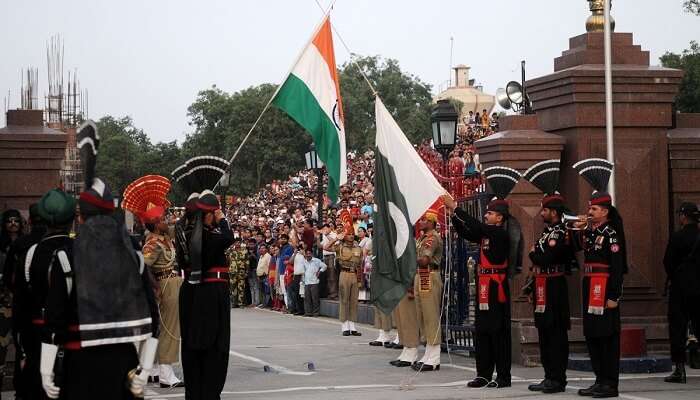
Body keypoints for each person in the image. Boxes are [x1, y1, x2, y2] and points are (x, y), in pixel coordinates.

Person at [42, 120, 159, 400]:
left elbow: (54, 322)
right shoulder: (133, 258)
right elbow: (152, 320)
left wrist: (46, 371)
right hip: (123, 366)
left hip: (79, 366)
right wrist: (143, 370)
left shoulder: (66, 258)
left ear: (80, 218)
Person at [445, 165, 523, 389]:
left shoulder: (500, 234)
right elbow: (468, 232)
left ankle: (503, 376)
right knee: (483, 331)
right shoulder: (487, 234)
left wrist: (457, 208)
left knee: (499, 333)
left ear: (499, 217)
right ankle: (483, 373)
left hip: (496, 288)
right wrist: (453, 217)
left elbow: (478, 226)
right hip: (483, 287)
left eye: (489, 213)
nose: (486, 215)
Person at [572, 158, 627, 399]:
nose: (589, 211)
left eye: (593, 209)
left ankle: (610, 383)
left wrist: (614, 295)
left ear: (604, 211)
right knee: (592, 334)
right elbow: (577, 247)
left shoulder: (611, 234)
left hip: (605, 288)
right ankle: (599, 379)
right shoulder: (592, 231)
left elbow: (616, 267)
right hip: (590, 285)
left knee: (607, 336)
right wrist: (580, 229)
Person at [522, 160, 573, 394]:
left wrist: (536, 254)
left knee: (555, 333)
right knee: (544, 331)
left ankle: (557, 378)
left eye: (545, 209)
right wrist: (536, 255)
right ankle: (548, 375)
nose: (542, 213)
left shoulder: (561, 232)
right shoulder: (548, 232)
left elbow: (544, 258)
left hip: (555, 285)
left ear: (554, 212)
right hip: (543, 284)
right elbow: (537, 256)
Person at [179, 190, 234, 399]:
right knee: (215, 345)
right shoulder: (209, 236)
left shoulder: (188, 233)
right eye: (216, 212)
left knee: (193, 344)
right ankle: (209, 391)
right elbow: (228, 237)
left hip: (194, 291)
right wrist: (223, 220)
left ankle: (197, 391)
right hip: (212, 293)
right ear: (209, 215)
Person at [12, 196, 64, 399]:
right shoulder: (75, 249)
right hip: (62, 329)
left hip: (34, 325)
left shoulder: (28, 250)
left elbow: (18, 290)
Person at [663, 202, 700, 384]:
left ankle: (679, 370)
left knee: (678, 328)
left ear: (683, 216)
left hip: (680, 288)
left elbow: (667, 262)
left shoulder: (677, 237)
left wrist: (677, 276)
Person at [412, 209, 444, 372]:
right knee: (422, 316)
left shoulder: (432, 238)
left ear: (432, 222)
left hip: (429, 275)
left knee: (430, 316)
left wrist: (408, 258)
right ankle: (428, 353)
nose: (421, 222)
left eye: (425, 220)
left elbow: (424, 260)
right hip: (421, 275)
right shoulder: (422, 238)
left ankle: (434, 357)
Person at [325, 210, 363, 336]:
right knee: (344, 300)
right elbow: (326, 247)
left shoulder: (358, 247)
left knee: (354, 301)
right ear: (345, 235)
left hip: (354, 275)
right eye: (349, 234)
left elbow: (360, 264)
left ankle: (353, 326)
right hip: (344, 274)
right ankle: (344, 326)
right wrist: (337, 237)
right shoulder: (340, 246)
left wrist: (360, 279)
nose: (351, 236)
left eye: (353, 234)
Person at [0, 208, 24, 388]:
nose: (13, 224)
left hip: (22, 298)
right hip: (4, 299)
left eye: (16, 220)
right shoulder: (1, 245)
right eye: (9, 221)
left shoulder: (25, 244)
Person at [302, 248, 327, 317]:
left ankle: (316, 313)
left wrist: (320, 271)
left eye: (309, 254)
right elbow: (303, 271)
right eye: (307, 254)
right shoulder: (304, 261)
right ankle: (308, 312)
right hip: (306, 282)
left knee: (315, 298)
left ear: (312, 254)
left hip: (314, 282)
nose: (308, 255)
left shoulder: (316, 261)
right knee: (307, 299)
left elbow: (324, 266)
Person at [227, 239, 248, 308]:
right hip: (232, 272)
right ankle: (234, 303)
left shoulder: (244, 251)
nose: (237, 243)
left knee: (241, 288)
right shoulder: (230, 251)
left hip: (241, 272)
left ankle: (240, 303)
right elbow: (226, 259)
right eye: (236, 242)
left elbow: (247, 262)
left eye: (239, 242)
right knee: (233, 288)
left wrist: (247, 271)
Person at [320, 224, 338, 300]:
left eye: (326, 228)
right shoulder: (323, 236)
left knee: (332, 275)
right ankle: (329, 293)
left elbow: (334, 242)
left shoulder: (334, 234)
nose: (325, 230)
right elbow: (321, 246)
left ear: (330, 228)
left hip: (331, 256)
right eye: (323, 229)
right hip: (325, 256)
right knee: (327, 276)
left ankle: (334, 293)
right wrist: (317, 238)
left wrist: (326, 235)